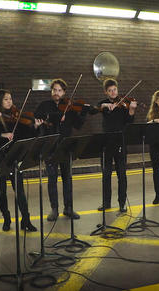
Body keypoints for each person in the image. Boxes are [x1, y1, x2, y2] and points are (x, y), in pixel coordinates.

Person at [0, 89, 43, 231]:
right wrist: (0, 134)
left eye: (10, 98)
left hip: (14, 158)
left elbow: (25, 134)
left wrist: (35, 126)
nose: (9, 101)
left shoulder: (16, 116)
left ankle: (26, 219)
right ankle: (6, 218)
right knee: (0, 192)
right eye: (6, 99)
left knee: (20, 191)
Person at [34, 78, 88, 221]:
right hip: (49, 147)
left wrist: (82, 113)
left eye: (59, 90)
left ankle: (68, 208)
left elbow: (78, 126)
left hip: (65, 147)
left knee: (67, 178)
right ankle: (54, 209)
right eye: (54, 90)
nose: (56, 93)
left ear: (64, 92)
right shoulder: (44, 106)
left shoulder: (70, 108)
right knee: (52, 179)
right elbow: (36, 122)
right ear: (51, 91)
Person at [94, 78, 137, 212]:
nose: (113, 93)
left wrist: (131, 110)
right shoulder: (103, 104)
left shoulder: (124, 104)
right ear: (106, 92)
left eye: (115, 90)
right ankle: (106, 203)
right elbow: (95, 108)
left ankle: (122, 203)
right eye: (110, 91)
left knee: (121, 175)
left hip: (120, 141)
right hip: (106, 143)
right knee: (106, 175)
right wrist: (106, 106)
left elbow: (129, 121)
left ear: (117, 90)